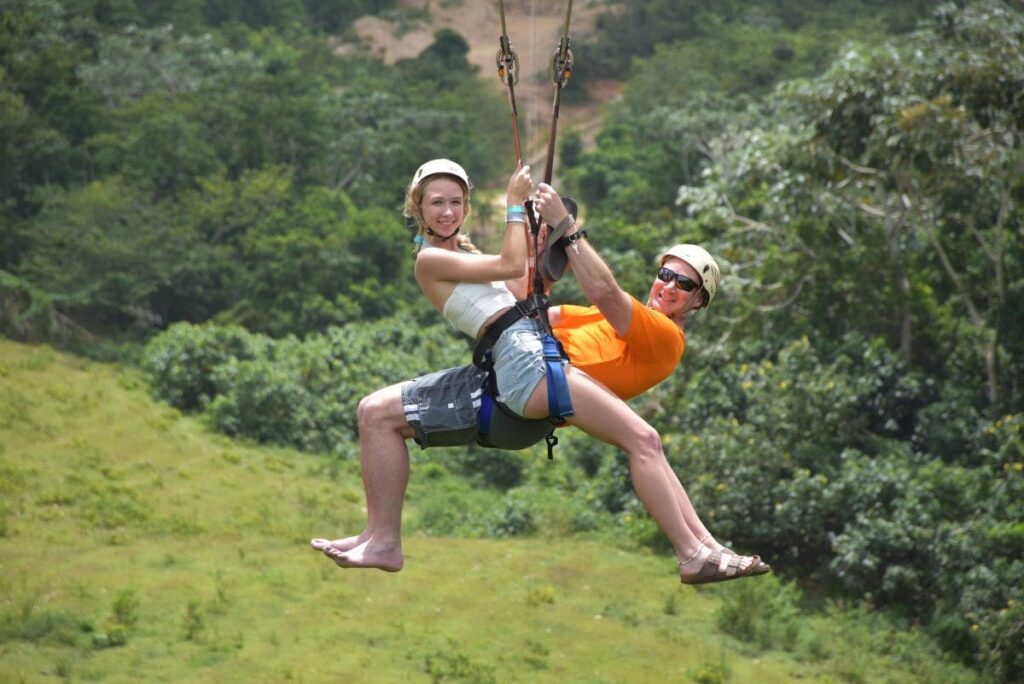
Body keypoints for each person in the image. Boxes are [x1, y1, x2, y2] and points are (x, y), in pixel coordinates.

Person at [311, 160, 768, 585]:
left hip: (536, 367)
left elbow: (603, 291)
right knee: (374, 411)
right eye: (665, 275)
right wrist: (540, 253)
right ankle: (381, 537)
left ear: (697, 301)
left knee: (645, 441)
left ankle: (700, 550)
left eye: (683, 284)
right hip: (520, 361)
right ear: (420, 209)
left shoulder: (663, 335)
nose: (668, 286)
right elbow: (532, 305)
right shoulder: (438, 259)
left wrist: (557, 228)